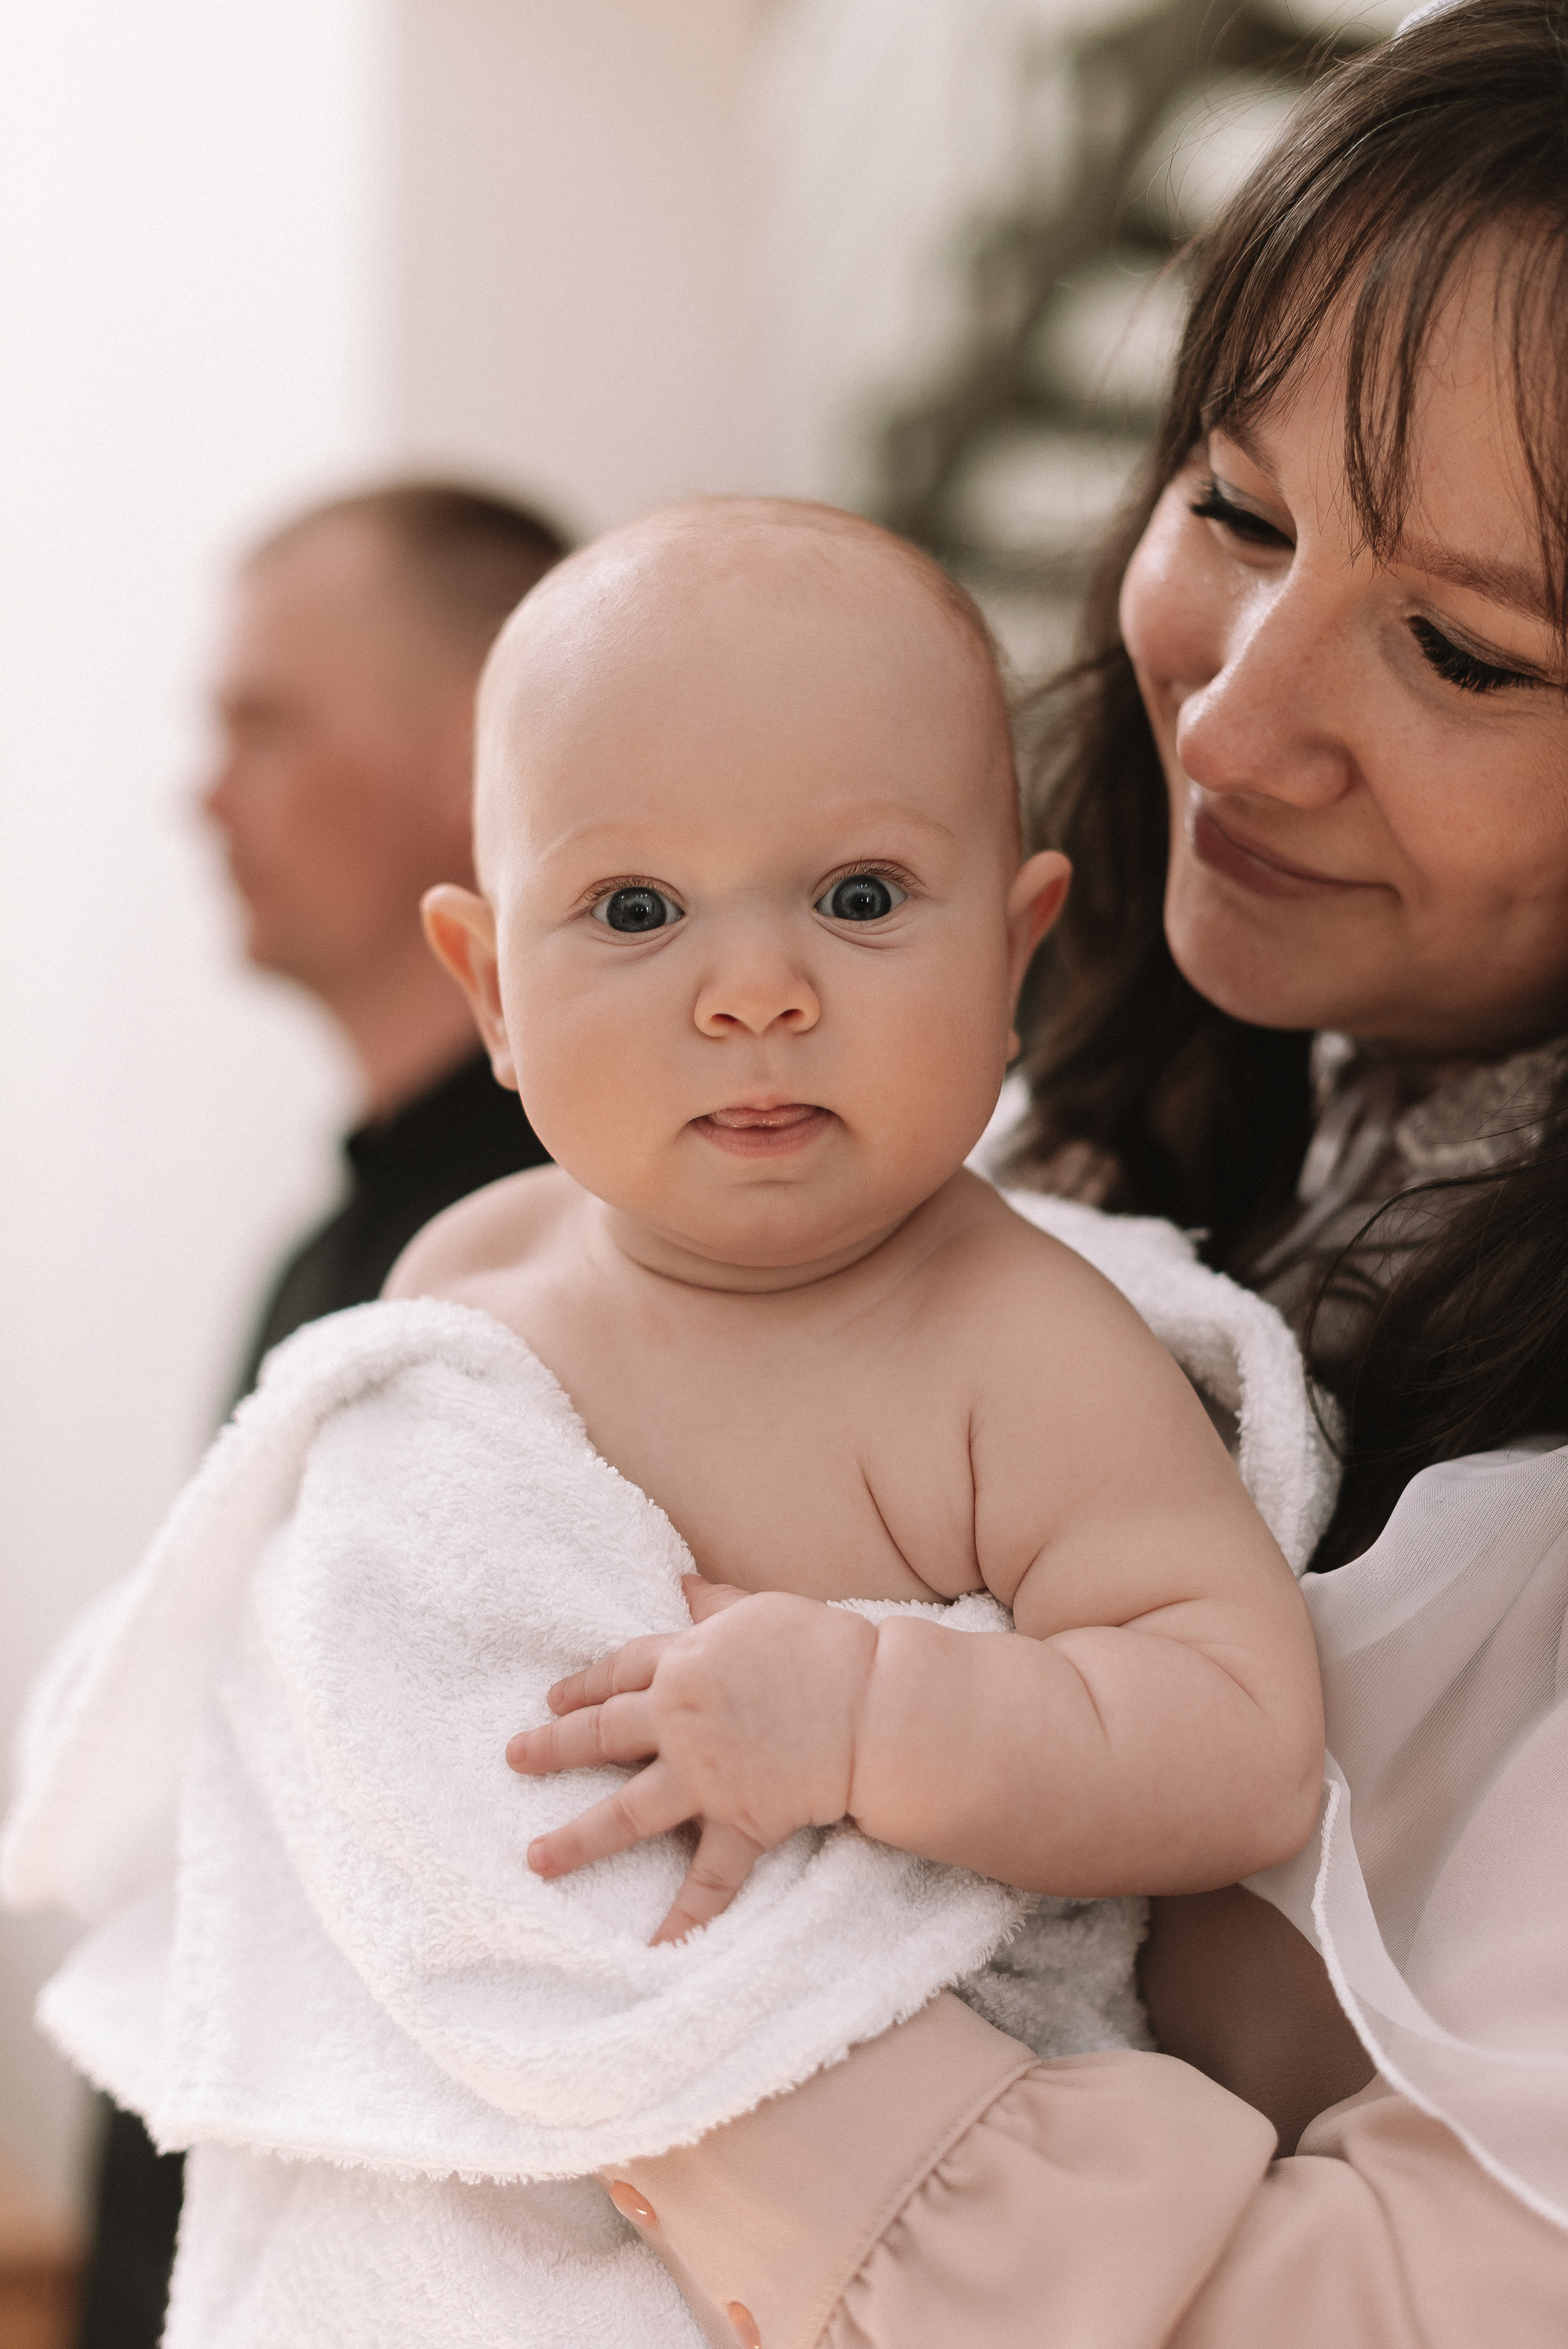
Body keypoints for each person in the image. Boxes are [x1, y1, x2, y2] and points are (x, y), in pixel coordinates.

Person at [513, 4, 1568, 2339]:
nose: (1243, 709)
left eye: (1471, 653)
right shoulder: (1058, 1123)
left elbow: (1414, 2303)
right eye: (1240, 510)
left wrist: (599, 1994)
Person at [398, 494, 1321, 1946]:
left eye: (858, 893)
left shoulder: (1012, 1355)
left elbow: (1244, 1746)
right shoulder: (461, 1286)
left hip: (880, 2101)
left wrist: (861, 1713)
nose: (755, 990)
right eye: (635, 909)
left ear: (1010, 961)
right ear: (495, 991)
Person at [76, 479, 567, 2349]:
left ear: (475, 760)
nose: (206, 796)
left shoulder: (589, 1255)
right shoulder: (323, 1259)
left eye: (263, 724)